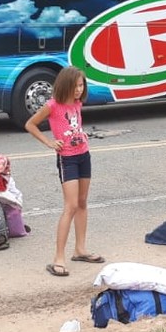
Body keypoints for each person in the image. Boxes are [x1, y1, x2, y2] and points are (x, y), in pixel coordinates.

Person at [25, 66, 104, 277]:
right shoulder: (52, 105)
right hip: (67, 158)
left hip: (83, 155)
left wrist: (82, 134)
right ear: (65, 85)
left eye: (81, 85)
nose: (79, 89)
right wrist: (49, 142)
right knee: (70, 206)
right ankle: (58, 258)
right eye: (75, 85)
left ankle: (80, 249)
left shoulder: (78, 103)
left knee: (82, 202)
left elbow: (74, 125)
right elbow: (30, 125)